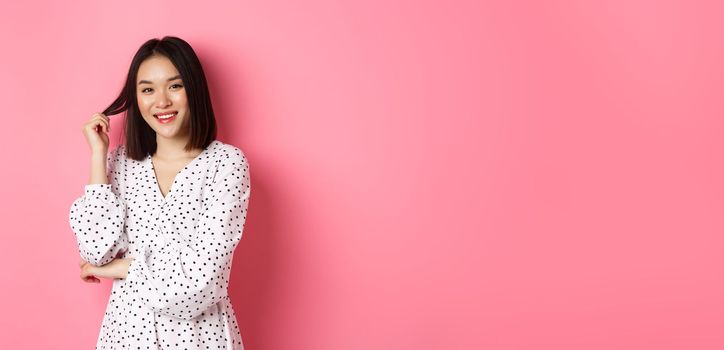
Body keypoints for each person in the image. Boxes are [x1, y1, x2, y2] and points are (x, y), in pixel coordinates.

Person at [68, 36, 250, 349]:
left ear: (194, 89)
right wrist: (98, 156)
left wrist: (123, 268)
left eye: (175, 86)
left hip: (200, 338)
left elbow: (203, 281)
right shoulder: (121, 164)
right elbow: (96, 250)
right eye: (148, 89)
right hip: (127, 335)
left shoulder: (226, 164)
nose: (161, 101)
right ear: (136, 98)